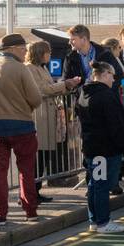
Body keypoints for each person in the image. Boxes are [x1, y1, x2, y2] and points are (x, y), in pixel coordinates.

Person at [0, 34, 47, 228]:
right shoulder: (21, 69)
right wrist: (24, 106)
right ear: (12, 49)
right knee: (26, 171)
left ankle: (0, 215)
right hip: (22, 126)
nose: (25, 52)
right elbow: (36, 98)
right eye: (23, 48)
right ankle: (30, 212)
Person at [75, 62, 124, 233]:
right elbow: (116, 125)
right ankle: (103, 222)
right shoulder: (106, 96)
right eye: (112, 75)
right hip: (104, 148)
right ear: (105, 74)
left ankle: (95, 220)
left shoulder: (84, 93)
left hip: (91, 146)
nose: (114, 79)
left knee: (94, 184)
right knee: (101, 185)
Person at [27, 40, 80, 203]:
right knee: (38, 156)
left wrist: (66, 85)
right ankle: (31, 192)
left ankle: (36, 190)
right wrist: (65, 84)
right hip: (40, 116)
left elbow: (49, 87)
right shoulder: (30, 68)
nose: (50, 55)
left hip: (49, 116)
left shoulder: (41, 68)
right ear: (40, 53)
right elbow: (42, 89)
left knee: (44, 156)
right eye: (47, 52)